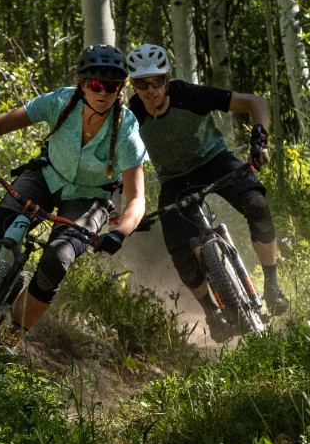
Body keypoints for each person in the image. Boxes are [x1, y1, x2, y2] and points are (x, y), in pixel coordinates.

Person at [0, 44, 148, 343]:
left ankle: (10, 339)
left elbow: (136, 200)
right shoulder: (59, 101)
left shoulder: (126, 131)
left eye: (112, 85)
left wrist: (119, 233)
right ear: (83, 83)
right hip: (45, 175)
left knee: (57, 259)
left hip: (89, 197)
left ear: (121, 87)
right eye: (95, 83)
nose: (103, 92)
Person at [122, 44, 287, 326]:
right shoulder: (131, 115)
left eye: (158, 81)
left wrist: (259, 141)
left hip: (214, 161)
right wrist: (130, 212)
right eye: (141, 83)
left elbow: (255, 102)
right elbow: (119, 158)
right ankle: (211, 312)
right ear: (132, 85)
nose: (151, 90)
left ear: (167, 79)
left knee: (256, 205)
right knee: (178, 248)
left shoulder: (189, 95)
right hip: (173, 180)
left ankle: (272, 284)